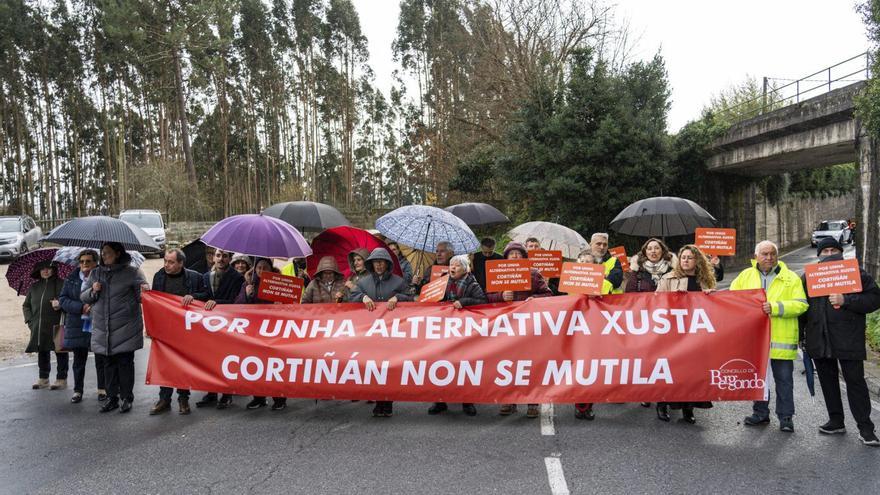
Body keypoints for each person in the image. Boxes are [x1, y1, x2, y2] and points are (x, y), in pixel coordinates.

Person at [799, 237, 880, 446]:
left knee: (855, 382)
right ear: (818, 255)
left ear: (841, 253)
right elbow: (801, 308)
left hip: (848, 338)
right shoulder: (808, 277)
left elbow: (874, 299)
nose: (829, 255)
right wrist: (800, 336)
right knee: (827, 381)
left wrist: (847, 300)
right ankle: (836, 421)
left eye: (833, 250)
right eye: (825, 252)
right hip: (819, 339)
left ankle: (866, 428)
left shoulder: (856, 273)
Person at [730, 240, 808, 432]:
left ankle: (786, 417)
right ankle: (760, 414)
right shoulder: (745, 276)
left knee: (784, 381)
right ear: (756, 256)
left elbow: (801, 304)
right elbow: (731, 300)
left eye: (772, 254)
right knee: (759, 380)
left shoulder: (790, 278)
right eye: (764, 254)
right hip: (756, 340)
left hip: (781, 340)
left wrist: (775, 307)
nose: (769, 257)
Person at [486, 242, 552, 418]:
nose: (515, 256)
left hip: (528, 327)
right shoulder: (498, 273)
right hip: (506, 326)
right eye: (511, 254)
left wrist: (534, 298)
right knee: (507, 364)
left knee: (530, 364)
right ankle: (509, 400)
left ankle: (533, 402)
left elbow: (548, 294)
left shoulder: (534, 273)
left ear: (524, 257)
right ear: (506, 257)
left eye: (518, 253)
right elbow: (486, 296)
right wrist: (501, 295)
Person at [81, 242, 148, 413]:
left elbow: (142, 298)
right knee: (108, 365)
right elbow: (84, 296)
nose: (104, 256)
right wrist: (92, 290)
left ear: (118, 253)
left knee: (125, 364)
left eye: (107, 253)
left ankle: (126, 398)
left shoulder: (133, 272)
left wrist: (145, 291)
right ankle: (112, 398)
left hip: (125, 327)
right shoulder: (96, 273)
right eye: (102, 253)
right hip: (103, 328)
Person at [654, 245, 717, 423]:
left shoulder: (705, 280)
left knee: (692, 371)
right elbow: (655, 303)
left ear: (697, 260)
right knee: (670, 370)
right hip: (672, 333)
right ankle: (662, 404)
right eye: (683, 257)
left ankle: (688, 408)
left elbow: (714, 308)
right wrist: (673, 297)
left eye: (690, 257)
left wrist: (711, 295)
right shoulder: (668, 278)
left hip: (696, 333)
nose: (686, 260)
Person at [350, 248, 413, 417]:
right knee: (374, 368)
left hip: (391, 334)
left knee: (388, 369)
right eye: (375, 262)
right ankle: (379, 401)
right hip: (371, 334)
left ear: (387, 264)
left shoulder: (399, 282)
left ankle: (388, 402)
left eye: (381, 262)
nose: (378, 265)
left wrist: (398, 298)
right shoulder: (363, 283)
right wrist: (362, 297)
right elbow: (352, 296)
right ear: (371, 264)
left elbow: (410, 297)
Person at [572, 234, 624, 421]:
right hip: (580, 325)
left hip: (604, 321)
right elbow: (567, 294)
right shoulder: (574, 271)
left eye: (605, 244)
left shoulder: (612, 262)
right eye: (598, 244)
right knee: (582, 365)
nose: (602, 247)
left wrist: (598, 285)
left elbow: (614, 282)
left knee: (599, 363)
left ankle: (594, 400)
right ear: (590, 244)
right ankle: (582, 405)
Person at [428, 255, 487, 417]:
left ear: (465, 269)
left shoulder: (472, 284)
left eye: (457, 265)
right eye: (451, 265)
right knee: (440, 365)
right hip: (444, 331)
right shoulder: (442, 281)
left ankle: (467, 401)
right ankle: (440, 401)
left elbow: (482, 300)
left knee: (463, 366)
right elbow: (430, 298)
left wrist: (464, 302)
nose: (452, 267)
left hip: (463, 333)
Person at [149, 249, 206, 416]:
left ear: (181, 263)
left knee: (182, 365)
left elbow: (206, 295)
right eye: (165, 261)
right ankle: (164, 399)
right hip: (165, 328)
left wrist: (193, 296)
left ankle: (183, 399)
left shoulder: (195, 277)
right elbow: (155, 301)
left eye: (171, 262)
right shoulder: (159, 276)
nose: (166, 265)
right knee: (165, 364)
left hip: (185, 329)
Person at [193, 249, 244, 410]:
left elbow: (236, 301)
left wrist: (217, 302)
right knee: (211, 360)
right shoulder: (205, 276)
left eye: (225, 256)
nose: (221, 259)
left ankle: (227, 394)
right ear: (213, 257)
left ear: (229, 259)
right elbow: (205, 295)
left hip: (229, 325)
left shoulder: (237, 278)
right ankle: (211, 392)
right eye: (218, 255)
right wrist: (192, 297)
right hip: (210, 326)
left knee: (227, 360)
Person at [235, 258, 288, 411]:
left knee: (274, 365)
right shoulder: (248, 283)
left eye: (265, 267)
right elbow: (237, 305)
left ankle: (279, 398)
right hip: (254, 331)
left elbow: (292, 306)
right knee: (256, 364)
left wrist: (281, 304)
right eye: (259, 267)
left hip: (274, 330)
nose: (261, 270)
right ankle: (258, 397)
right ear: (255, 269)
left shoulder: (279, 283)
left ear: (271, 270)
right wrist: (246, 295)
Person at [59, 249, 106, 403]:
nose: (84, 264)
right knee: (79, 360)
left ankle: (102, 389)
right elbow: (63, 299)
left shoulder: (102, 277)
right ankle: (78, 391)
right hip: (77, 324)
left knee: (101, 358)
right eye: (81, 261)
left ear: (95, 263)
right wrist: (81, 307)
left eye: (88, 261)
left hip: (97, 323)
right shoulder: (71, 278)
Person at [23, 260, 66, 391]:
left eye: (48, 268)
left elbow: (70, 300)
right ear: (38, 271)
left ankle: (61, 379)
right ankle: (43, 378)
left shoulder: (62, 284)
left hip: (59, 323)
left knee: (60, 351)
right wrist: (30, 321)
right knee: (42, 351)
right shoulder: (34, 287)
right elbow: (26, 305)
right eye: (42, 269)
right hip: (39, 325)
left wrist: (60, 304)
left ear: (54, 269)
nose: (45, 271)